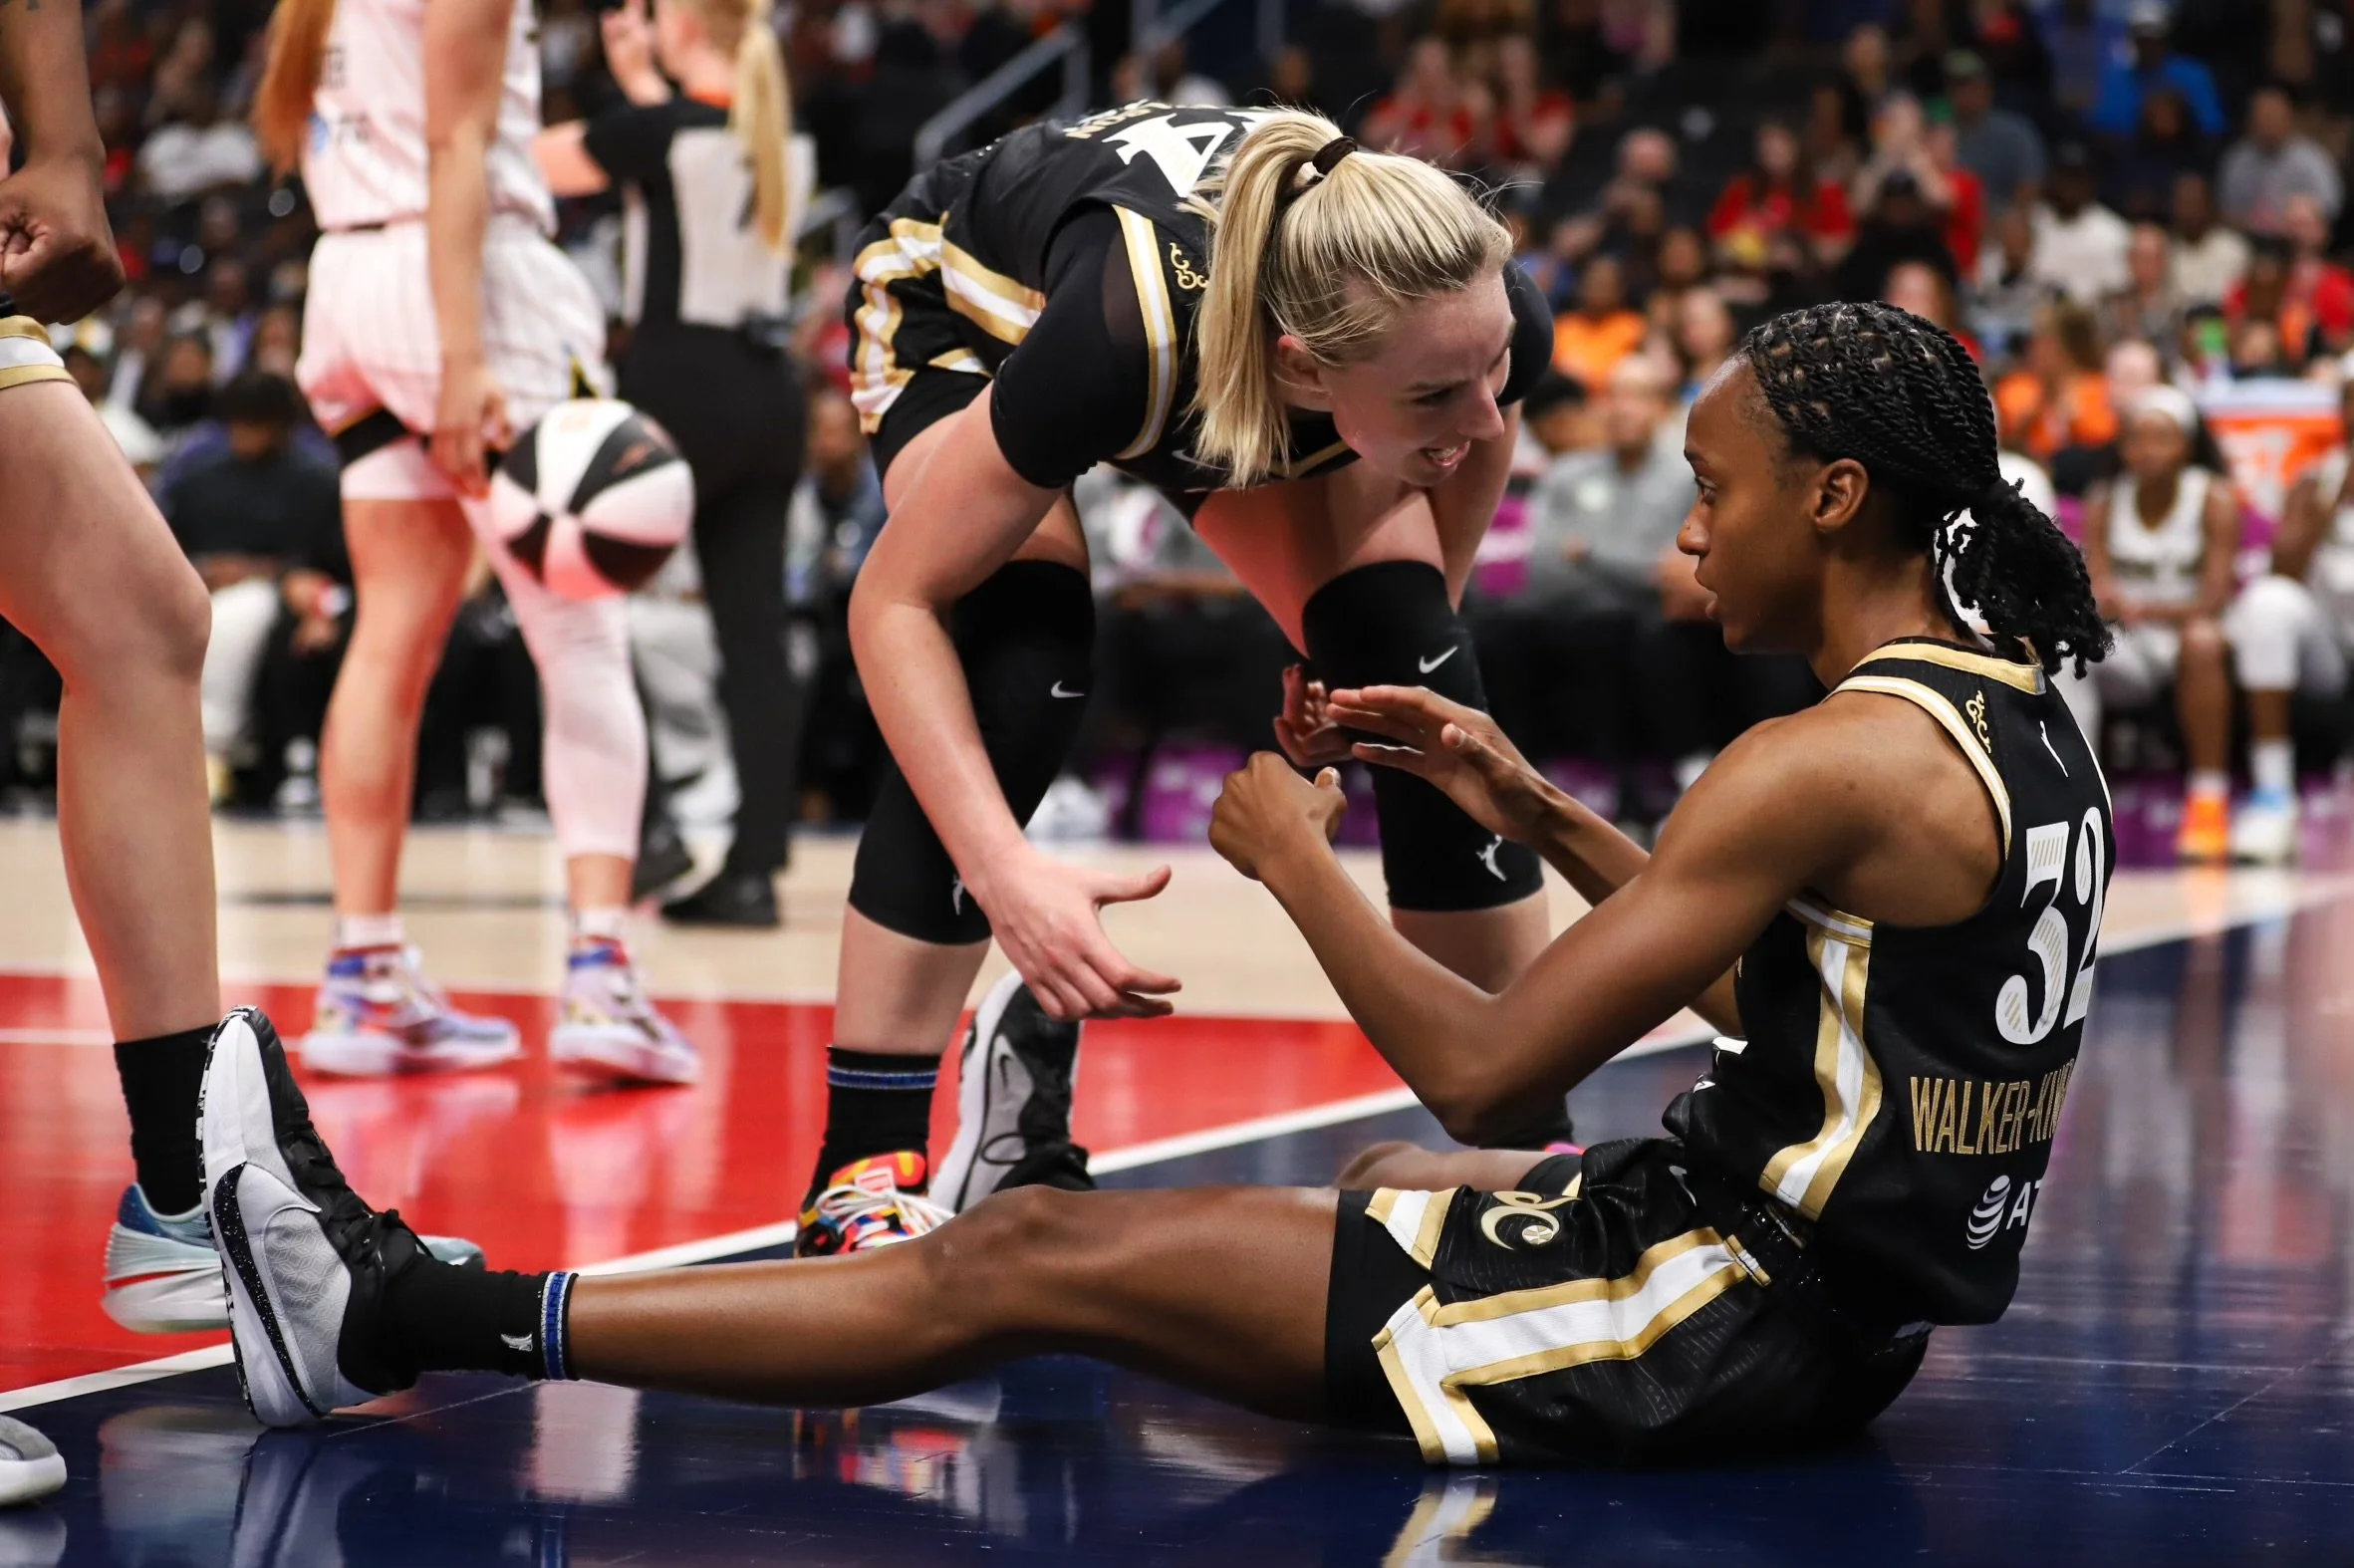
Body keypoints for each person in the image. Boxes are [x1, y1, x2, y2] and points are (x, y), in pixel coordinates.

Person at [200, 300, 2117, 1469]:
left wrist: (1293, 864)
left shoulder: (1815, 756)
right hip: (1822, 1307)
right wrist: (1522, 804)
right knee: (1376, 1182)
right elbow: (1782, 987)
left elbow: (1494, 1074)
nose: (1693, 527)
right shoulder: (1998, 715)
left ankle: (420, 1313)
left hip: (1699, 1317)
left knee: (1022, 1273)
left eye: (1718, 487)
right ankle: (1045, 1207)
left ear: (1836, 497)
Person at [802, 104, 1563, 1251]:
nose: (1480, 412)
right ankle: (858, 1167)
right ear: (1304, 371)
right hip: (972, 311)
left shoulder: (1460, 306)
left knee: (1413, 664)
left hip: (1220, 342)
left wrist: (1357, 664)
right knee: (1020, 647)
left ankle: (1528, 1133)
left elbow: (1477, 431)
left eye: (1492, 368)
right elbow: (889, 600)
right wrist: (1004, 873)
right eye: (1433, 399)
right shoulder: (1124, 337)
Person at [252, 0, 695, 1081]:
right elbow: (457, 146)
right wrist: (460, 356)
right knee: (581, 633)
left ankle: (364, 972)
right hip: (467, 282)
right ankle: (599, 972)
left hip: (348, 284)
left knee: (391, 632)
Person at [532, 0, 815, 929]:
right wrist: (643, 90)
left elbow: (530, 164)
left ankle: (646, 824)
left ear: (685, 26)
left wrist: (631, 98)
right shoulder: (780, 130)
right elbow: (685, 146)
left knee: (581, 600)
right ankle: (753, 869)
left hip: (676, 385)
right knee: (755, 638)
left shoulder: (652, 132)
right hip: (771, 390)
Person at [2074, 389, 2243, 863]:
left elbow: (2215, 598)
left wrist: (2144, 608)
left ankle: (2208, 801)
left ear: (2186, 445)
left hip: (2190, 638)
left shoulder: (2213, 497)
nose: (2147, 449)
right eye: (2136, 438)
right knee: (2069, 647)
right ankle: (2076, 791)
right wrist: (2103, 598)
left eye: (2161, 438)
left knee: (2203, 641)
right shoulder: (2106, 499)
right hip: (2131, 640)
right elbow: (2098, 581)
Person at [161, 370, 341, 799]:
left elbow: (321, 561)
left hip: (278, 594)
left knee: (236, 620)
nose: (245, 434)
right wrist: (207, 570)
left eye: (257, 423)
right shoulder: (200, 477)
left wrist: (259, 571)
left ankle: (215, 748)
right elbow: (169, 541)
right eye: (239, 423)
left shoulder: (315, 480)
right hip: (196, 583)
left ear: (281, 426)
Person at [2222, 379, 2354, 862]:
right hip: (2331, 651)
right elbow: (2283, 571)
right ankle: (2273, 798)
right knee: (2268, 602)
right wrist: (2330, 504)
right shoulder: (2316, 479)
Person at [2217, 83, 2342, 238]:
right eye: (2262, 117)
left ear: (2288, 118)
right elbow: (2227, 212)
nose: (2268, 124)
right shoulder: (2237, 161)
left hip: (2297, 240)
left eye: (2273, 117)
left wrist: (2293, 221)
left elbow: (2330, 207)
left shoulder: (2312, 159)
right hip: (2249, 242)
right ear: (2250, 121)